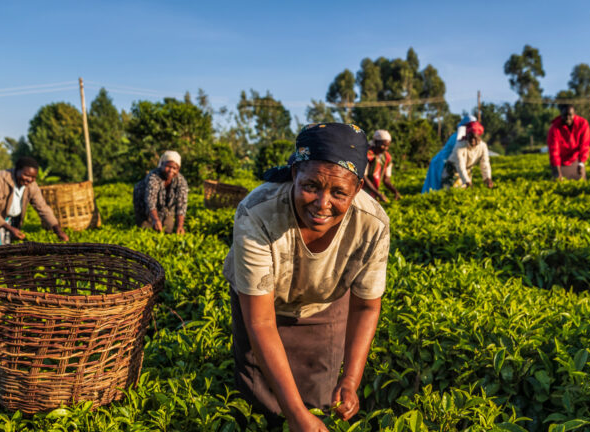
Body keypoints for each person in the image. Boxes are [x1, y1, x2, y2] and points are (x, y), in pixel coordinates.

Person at [224, 123, 390, 431]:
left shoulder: (372, 224)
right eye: (311, 186)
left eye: (339, 192)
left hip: (325, 305)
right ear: (294, 174)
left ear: (357, 188)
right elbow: (260, 322)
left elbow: (366, 306)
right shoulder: (258, 212)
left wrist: (350, 380)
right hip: (261, 307)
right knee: (259, 400)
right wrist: (296, 414)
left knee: (319, 396)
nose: (322, 204)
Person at [0, 156, 68, 249]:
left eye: (33, 177)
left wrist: (58, 230)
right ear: (16, 170)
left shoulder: (32, 185)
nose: (29, 179)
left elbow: (43, 207)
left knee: (3, 250)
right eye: (26, 175)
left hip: (5, 219)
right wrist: (10, 228)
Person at [133, 150, 188, 234]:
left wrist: (180, 226)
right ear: (162, 165)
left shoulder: (181, 181)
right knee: (147, 229)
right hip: (144, 204)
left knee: (168, 230)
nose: (171, 170)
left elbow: (182, 205)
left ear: (178, 170)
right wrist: (155, 219)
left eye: (174, 168)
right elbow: (150, 202)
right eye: (168, 166)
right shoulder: (153, 176)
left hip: (166, 208)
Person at [422, 115, 478, 193]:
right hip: (441, 163)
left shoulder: (467, 137)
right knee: (437, 187)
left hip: (448, 163)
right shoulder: (459, 137)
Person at [440, 121, 494, 189]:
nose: (472, 140)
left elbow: (485, 163)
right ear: (467, 136)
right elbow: (460, 165)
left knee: (464, 190)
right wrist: (467, 181)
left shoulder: (483, 146)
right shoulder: (460, 145)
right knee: (451, 190)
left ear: (479, 137)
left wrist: (487, 178)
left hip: (466, 170)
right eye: (470, 137)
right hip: (452, 171)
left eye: (475, 138)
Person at [547, 104, 590, 181]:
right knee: (558, 180)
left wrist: (581, 163)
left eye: (570, 115)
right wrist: (557, 171)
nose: (567, 118)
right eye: (565, 115)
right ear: (561, 115)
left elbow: (584, 145)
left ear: (574, 114)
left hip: (576, 159)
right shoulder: (555, 128)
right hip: (561, 161)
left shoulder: (582, 123)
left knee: (581, 179)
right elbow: (554, 151)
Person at [363, 129, 401, 202]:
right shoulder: (367, 155)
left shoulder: (386, 157)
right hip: (362, 191)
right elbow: (364, 177)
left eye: (387, 146)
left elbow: (386, 179)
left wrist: (395, 191)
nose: (385, 148)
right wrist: (378, 194)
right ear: (376, 142)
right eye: (383, 145)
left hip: (374, 192)